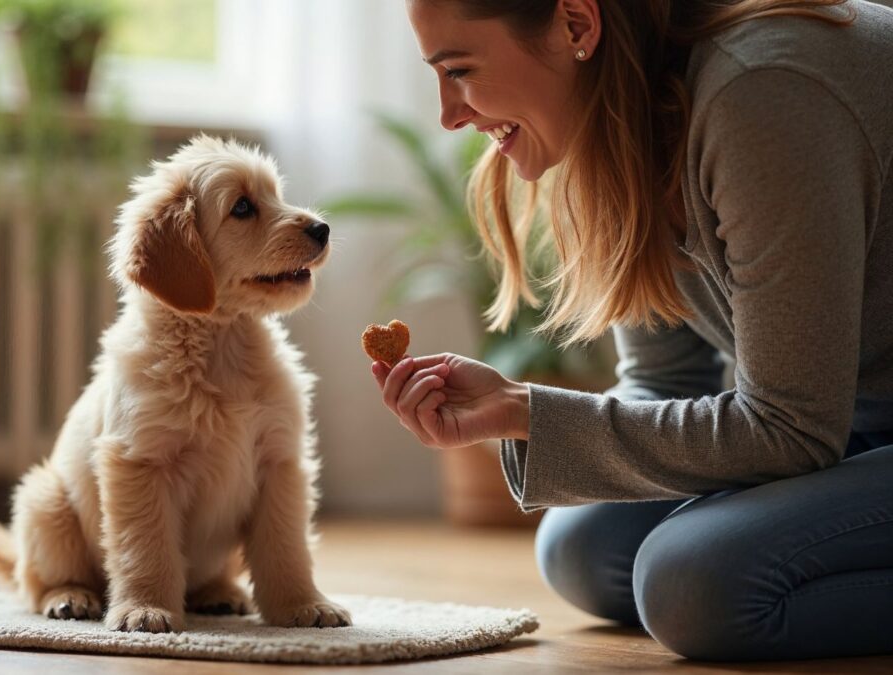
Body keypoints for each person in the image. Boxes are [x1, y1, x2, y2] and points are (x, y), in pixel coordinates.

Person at [372, 0, 893, 661]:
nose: (449, 115)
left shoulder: (759, 93)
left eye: (460, 70)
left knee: (689, 583)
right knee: (586, 549)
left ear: (576, 25)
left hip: (826, 421)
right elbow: (664, 381)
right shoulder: (621, 115)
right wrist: (518, 412)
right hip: (854, 418)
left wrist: (526, 410)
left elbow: (791, 426)